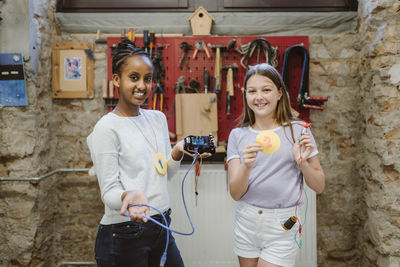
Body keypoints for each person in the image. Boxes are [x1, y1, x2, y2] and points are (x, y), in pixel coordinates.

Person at [87, 39, 209, 267]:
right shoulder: (107, 128)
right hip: (124, 232)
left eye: (147, 78)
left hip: (160, 225)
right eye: (134, 77)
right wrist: (128, 196)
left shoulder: (157, 119)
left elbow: (164, 173)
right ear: (116, 80)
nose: (142, 85)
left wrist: (177, 150)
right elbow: (110, 192)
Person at [226, 63, 325, 267]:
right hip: (247, 220)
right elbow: (235, 193)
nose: (259, 97)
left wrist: (302, 163)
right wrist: (246, 166)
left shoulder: (299, 131)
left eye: (266, 90)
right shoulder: (237, 136)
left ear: (280, 93)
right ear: (245, 94)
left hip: (283, 223)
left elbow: (319, 186)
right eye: (252, 91)